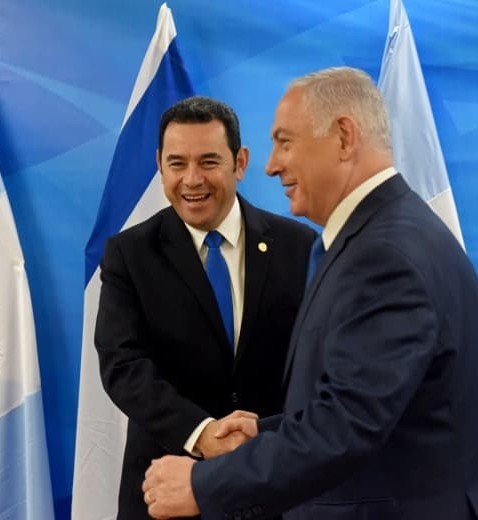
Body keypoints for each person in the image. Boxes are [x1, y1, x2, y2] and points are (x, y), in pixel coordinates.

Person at [141, 67, 478, 519]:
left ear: (344, 137)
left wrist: (202, 485)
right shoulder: (378, 236)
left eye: (285, 142)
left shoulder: (384, 255)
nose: (271, 164)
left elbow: (347, 425)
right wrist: (265, 434)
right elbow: (373, 403)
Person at [95, 95, 315, 519]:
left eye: (209, 162)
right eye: (177, 164)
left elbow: (313, 363)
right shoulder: (129, 254)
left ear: (241, 161)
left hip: (274, 489)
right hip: (166, 490)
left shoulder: (300, 247)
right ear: (160, 163)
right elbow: (123, 365)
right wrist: (203, 434)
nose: (192, 180)